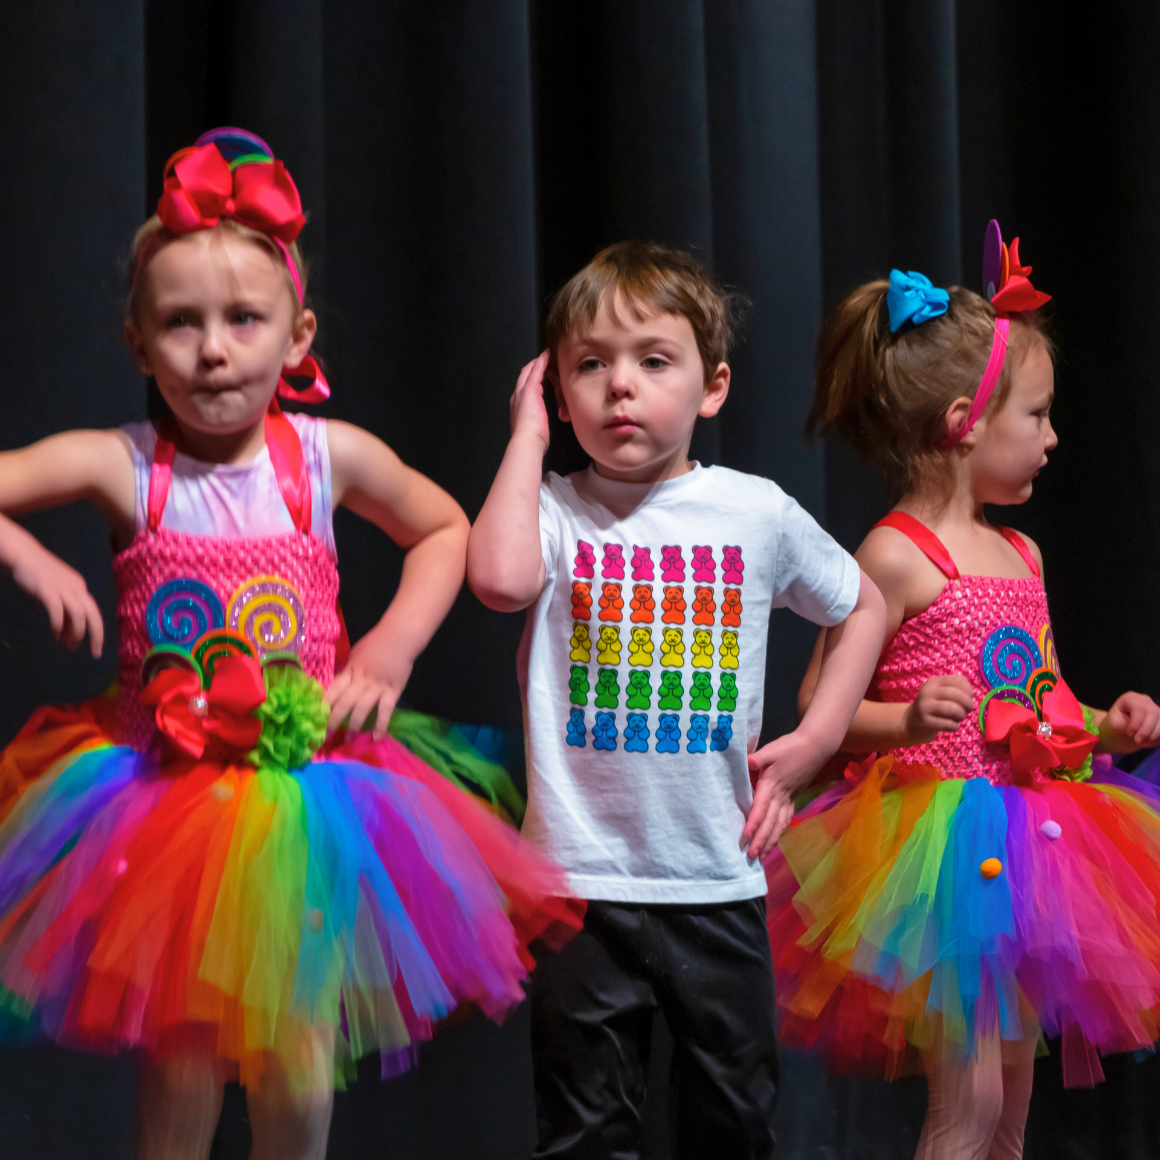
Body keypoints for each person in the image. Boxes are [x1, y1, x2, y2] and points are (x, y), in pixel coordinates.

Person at [0, 127, 580, 1160]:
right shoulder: (121, 464)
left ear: (295, 334)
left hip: (311, 803)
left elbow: (445, 529)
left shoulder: (326, 457)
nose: (211, 348)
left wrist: (390, 650)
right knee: (180, 1059)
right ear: (137, 342)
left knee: (297, 1056)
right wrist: (29, 558)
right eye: (179, 324)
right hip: (159, 799)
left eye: (242, 319)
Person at [468, 240, 887, 1159]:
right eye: (590, 365)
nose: (621, 386)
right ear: (556, 390)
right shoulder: (549, 506)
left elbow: (864, 604)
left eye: (653, 362)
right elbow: (498, 581)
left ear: (713, 387)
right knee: (584, 1129)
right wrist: (526, 439)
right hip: (579, 883)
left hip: (712, 877)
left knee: (731, 1122)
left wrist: (819, 736)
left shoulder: (753, 511)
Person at [766, 223, 1160, 1159]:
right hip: (937, 853)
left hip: (1037, 843)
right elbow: (817, 708)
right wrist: (903, 717)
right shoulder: (896, 556)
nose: (1053, 438)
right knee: (968, 1100)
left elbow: (1044, 693)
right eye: (1037, 416)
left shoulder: (1021, 551)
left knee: (1014, 1104)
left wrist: (1109, 729)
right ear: (962, 423)